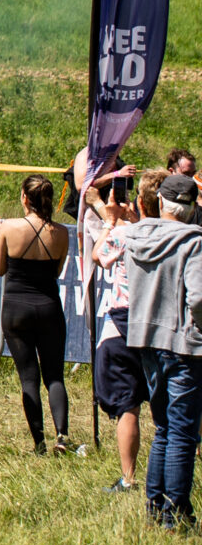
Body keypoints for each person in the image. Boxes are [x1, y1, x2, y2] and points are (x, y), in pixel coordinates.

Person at [123, 170, 202, 526]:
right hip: (184, 342)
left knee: (164, 428)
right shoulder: (194, 241)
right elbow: (198, 296)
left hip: (145, 340)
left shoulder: (136, 234)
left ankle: (155, 507)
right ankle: (175, 514)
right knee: (183, 432)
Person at [0, 173, 74, 455]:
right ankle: (62, 436)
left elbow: (0, 269)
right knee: (54, 376)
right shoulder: (62, 232)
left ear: (25, 198)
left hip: (16, 308)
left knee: (29, 377)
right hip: (49, 306)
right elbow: (57, 271)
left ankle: (39, 442)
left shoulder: (9, 227)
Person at [84, 163, 150, 492]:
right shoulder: (174, 235)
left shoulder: (125, 233)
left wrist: (111, 220)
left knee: (128, 405)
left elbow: (99, 256)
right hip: (161, 326)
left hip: (124, 323)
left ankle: (129, 477)